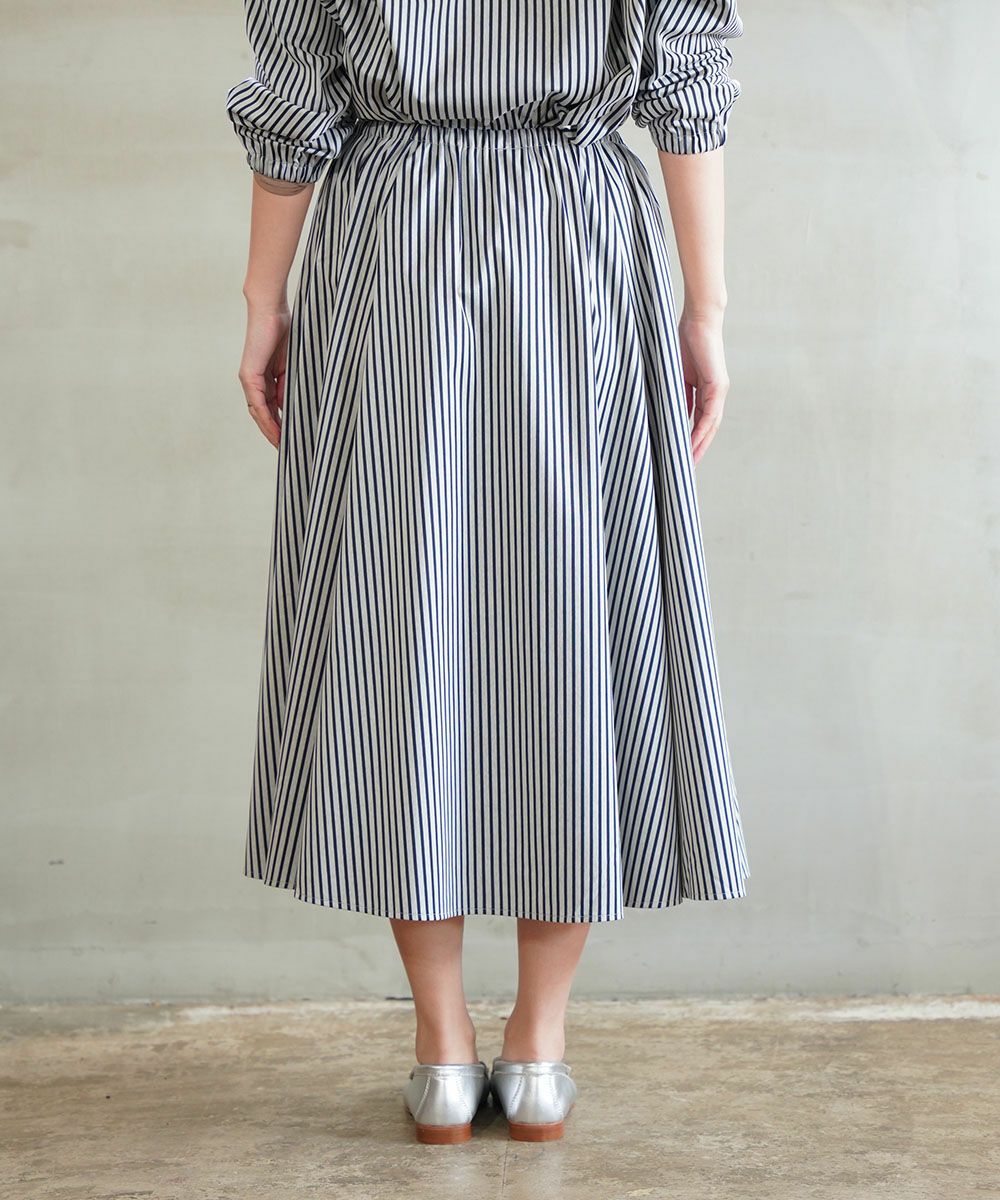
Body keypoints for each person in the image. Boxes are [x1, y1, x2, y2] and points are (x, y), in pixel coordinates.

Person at [227, 0, 749, 1145]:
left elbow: (293, 100)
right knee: (571, 618)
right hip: (577, 237)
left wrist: (264, 300)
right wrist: (703, 308)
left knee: (399, 619)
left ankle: (442, 1052)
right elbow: (686, 84)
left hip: (391, 240)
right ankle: (539, 1049)